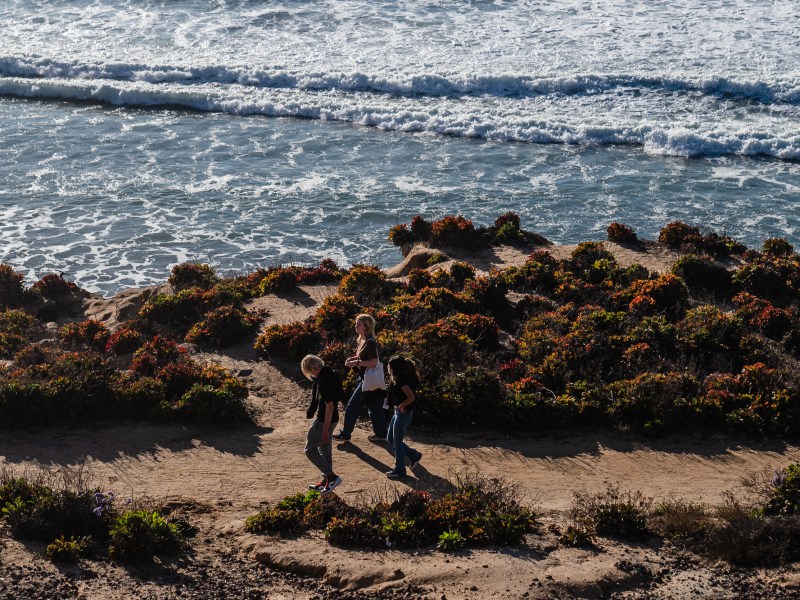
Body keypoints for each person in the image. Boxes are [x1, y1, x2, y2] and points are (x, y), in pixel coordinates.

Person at [333, 314, 388, 442]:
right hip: (366, 379)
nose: (355, 326)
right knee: (374, 408)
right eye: (356, 323)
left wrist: (356, 363)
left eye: (359, 324)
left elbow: (374, 362)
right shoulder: (361, 340)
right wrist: (353, 359)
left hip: (367, 380)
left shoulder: (370, 342)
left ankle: (346, 434)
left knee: (352, 406)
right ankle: (382, 434)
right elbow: (364, 358)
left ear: (366, 327)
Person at [300, 354, 343, 494]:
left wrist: (325, 430)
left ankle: (331, 477)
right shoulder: (332, 374)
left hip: (325, 420)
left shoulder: (324, 381)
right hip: (333, 419)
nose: (311, 374)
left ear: (313, 367)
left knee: (310, 450)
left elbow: (329, 406)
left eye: (309, 371)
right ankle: (327, 482)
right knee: (325, 451)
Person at [385, 355, 423, 480]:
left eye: (390, 367)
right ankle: (414, 455)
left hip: (402, 414)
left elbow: (411, 397)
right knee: (390, 439)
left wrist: (402, 405)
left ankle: (400, 470)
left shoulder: (402, 381)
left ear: (395, 368)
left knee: (397, 443)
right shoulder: (398, 379)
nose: (388, 369)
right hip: (398, 413)